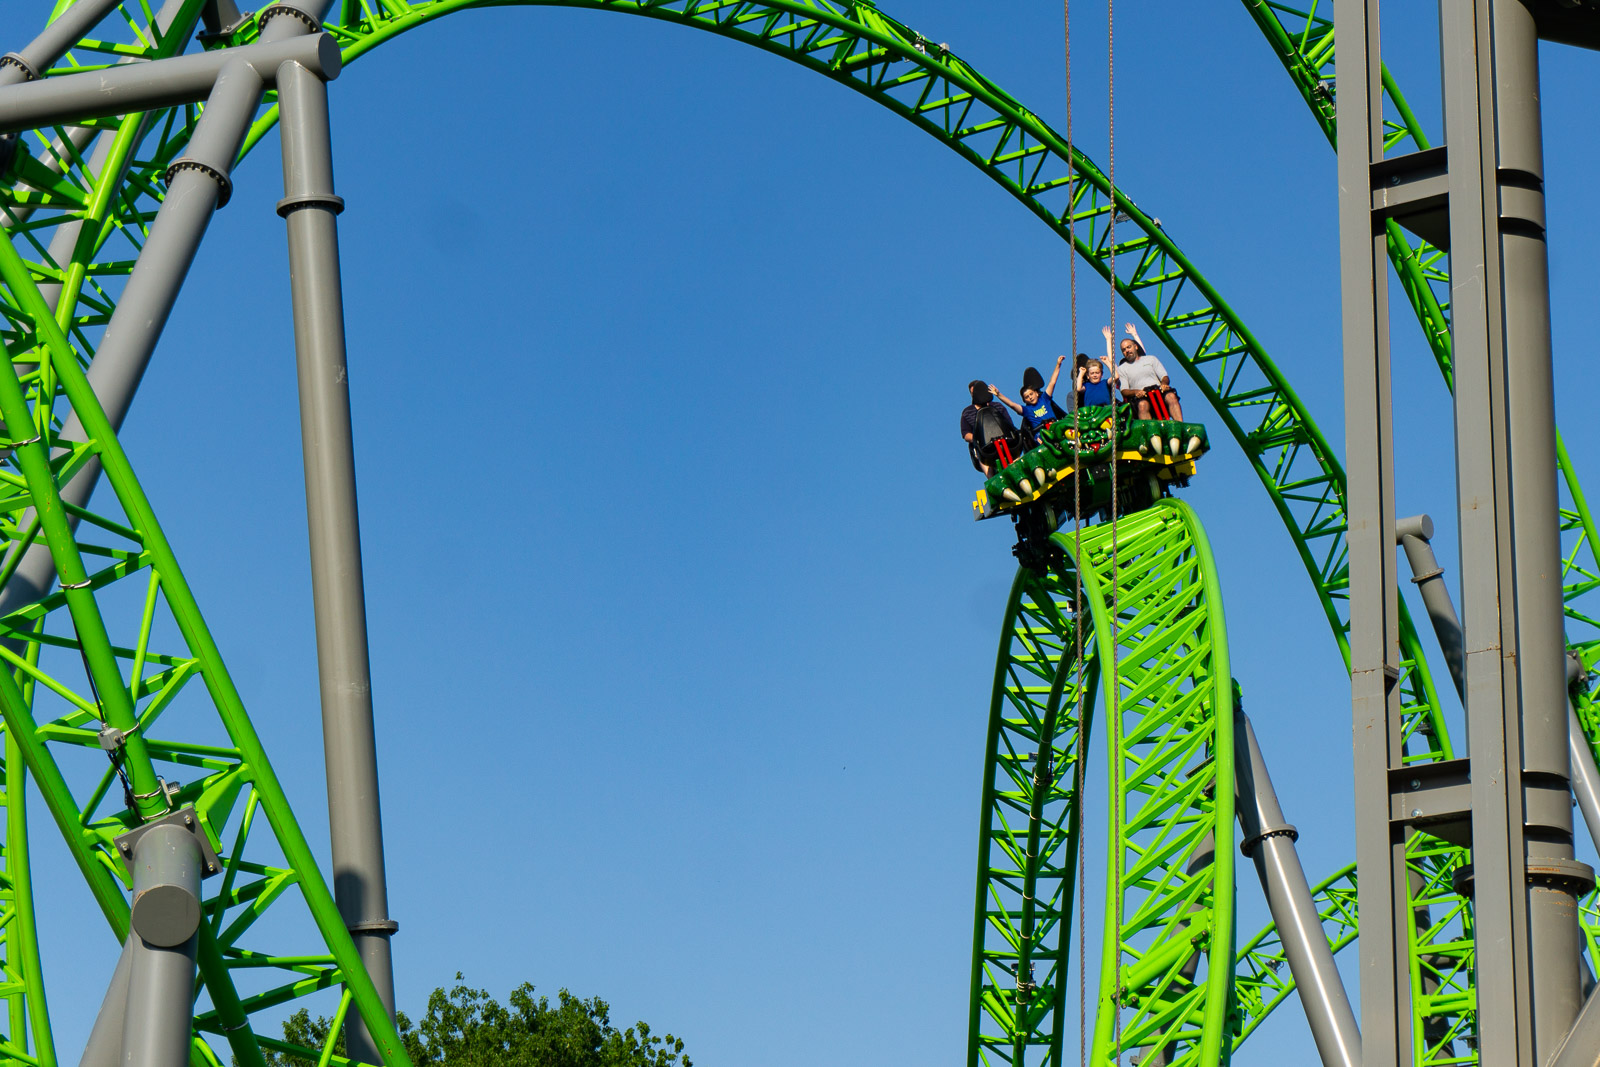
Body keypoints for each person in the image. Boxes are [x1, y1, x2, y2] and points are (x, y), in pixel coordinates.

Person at [1103, 323, 1183, 421]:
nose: (1127, 351)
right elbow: (1122, 386)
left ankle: (1180, 424)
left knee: (1171, 396)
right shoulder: (1122, 369)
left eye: (1129, 347)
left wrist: (1134, 334)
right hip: (1140, 397)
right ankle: (1150, 431)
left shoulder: (1150, 359)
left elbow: (1164, 376)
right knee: (1142, 405)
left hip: (1157, 391)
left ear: (1135, 347)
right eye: (1124, 350)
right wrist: (1108, 340)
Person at [991, 355, 1068, 439]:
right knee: (1040, 438)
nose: (1030, 397)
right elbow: (1012, 404)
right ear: (1025, 400)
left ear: (1036, 393)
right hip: (1041, 434)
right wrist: (999, 394)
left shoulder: (1045, 399)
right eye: (1027, 397)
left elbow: (1052, 382)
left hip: (1054, 427)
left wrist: (1058, 365)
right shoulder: (1027, 410)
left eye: (1031, 394)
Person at [961, 380, 1020, 475]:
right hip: (984, 446)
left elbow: (1009, 424)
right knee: (978, 450)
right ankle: (991, 478)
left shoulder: (997, 407)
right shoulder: (967, 413)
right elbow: (966, 434)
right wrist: (977, 438)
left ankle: (1019, 468)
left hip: (1004, 440)